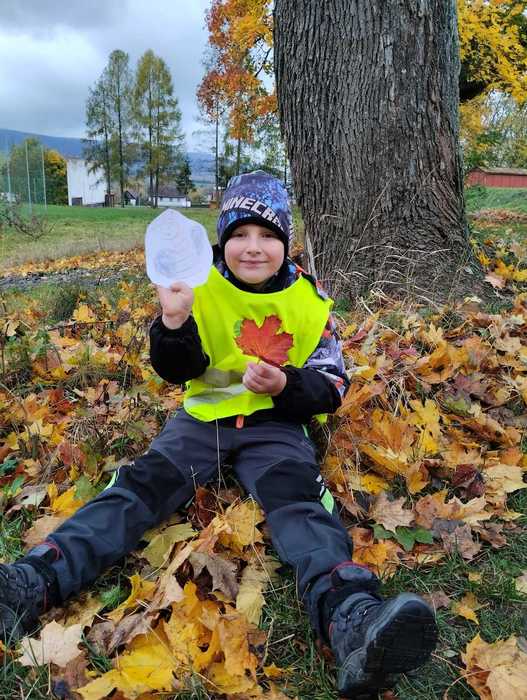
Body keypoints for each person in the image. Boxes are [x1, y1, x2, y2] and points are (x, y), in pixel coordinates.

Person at [0, 172, 437, 697]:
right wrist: (173, 322)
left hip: (275, 427)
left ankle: (350, 617)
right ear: (222, 238)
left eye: (268, 235)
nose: (253, 247)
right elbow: (176, 369)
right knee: (138, 488)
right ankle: (32, 581)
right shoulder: (196, 282)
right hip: (202, 421)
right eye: (239, 234)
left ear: (286, 242)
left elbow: (332, 385)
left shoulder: (309, 300)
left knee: (299, 503)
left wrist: (286, 384)